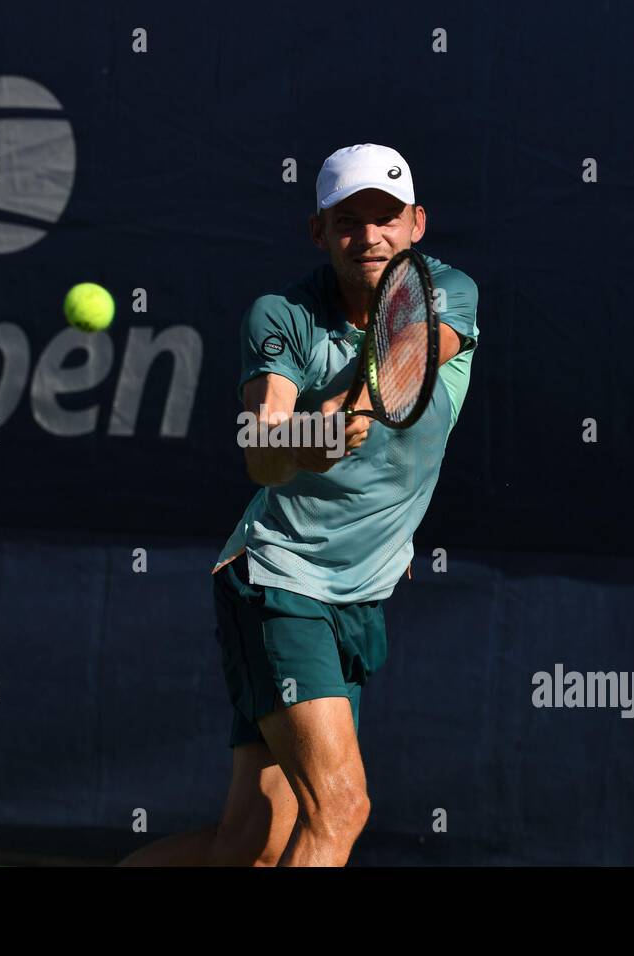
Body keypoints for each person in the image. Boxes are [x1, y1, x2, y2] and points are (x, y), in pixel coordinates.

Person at [119, 143, 479, 866]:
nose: (370, 236)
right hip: (278, 581)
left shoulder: (448, 291)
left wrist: (343, 409)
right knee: (342, 808)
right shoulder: (280, 315)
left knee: (252, 844)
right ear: (319, 231)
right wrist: (308, 443)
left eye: (386, 218)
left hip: (361, 593)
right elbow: (261, 448)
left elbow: (409, 357)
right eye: (350, 221)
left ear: (417, 226)